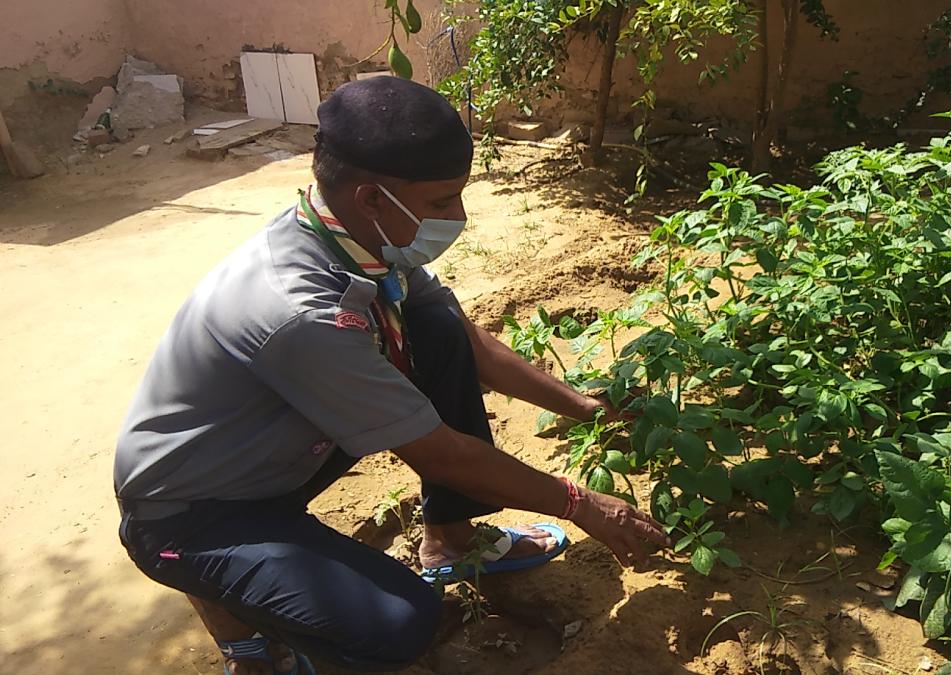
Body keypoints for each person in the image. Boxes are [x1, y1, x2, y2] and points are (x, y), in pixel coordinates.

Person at [114, 77, 668, 675]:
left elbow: (466, 342)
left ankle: (451, 538)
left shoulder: (352, 239)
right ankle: (252, 648)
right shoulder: (300, 309)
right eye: (439, 203)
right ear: (372, 197)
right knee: (400, 625)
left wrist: (584, 406)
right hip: (192, 513)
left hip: (272, 458)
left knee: (435, 329)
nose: (457, 217)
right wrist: (582, 504)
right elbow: (442, 453)